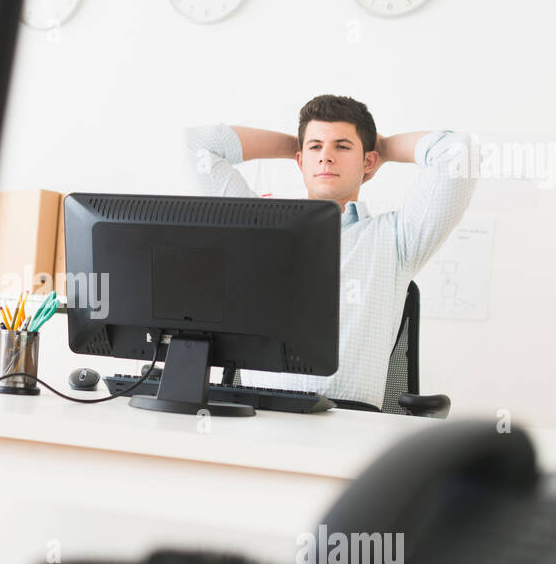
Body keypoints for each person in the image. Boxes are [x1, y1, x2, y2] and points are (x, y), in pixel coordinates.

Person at [185, 94, 475, 410]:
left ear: (368, 161)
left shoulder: (397, 238)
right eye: (316, 147)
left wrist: (384, 148)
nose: (326, 157)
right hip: (263, 418)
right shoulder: (260, 229)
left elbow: (459, 152)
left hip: (350, 424)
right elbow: (199, 144)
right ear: (301, 161)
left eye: (342, 146)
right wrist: (293, 146)